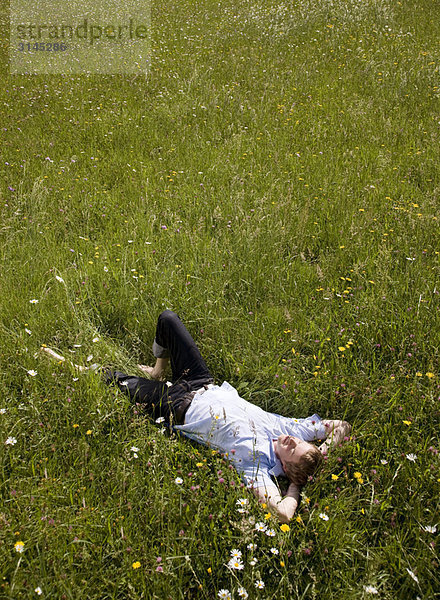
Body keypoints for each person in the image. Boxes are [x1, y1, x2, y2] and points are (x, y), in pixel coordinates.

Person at [43, 310, 351, 523]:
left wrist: (296, 486)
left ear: (284, 466)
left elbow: (283, 513)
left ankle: (72, 368)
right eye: (298, 441)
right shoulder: (288, 429)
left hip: (176, 406)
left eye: (292, 450)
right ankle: (158, 368)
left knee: (117, 381)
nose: (291, 441)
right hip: (201, 381)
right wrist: (324, 449)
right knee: (168, 319)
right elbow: (342, 426)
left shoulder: (256, 466)